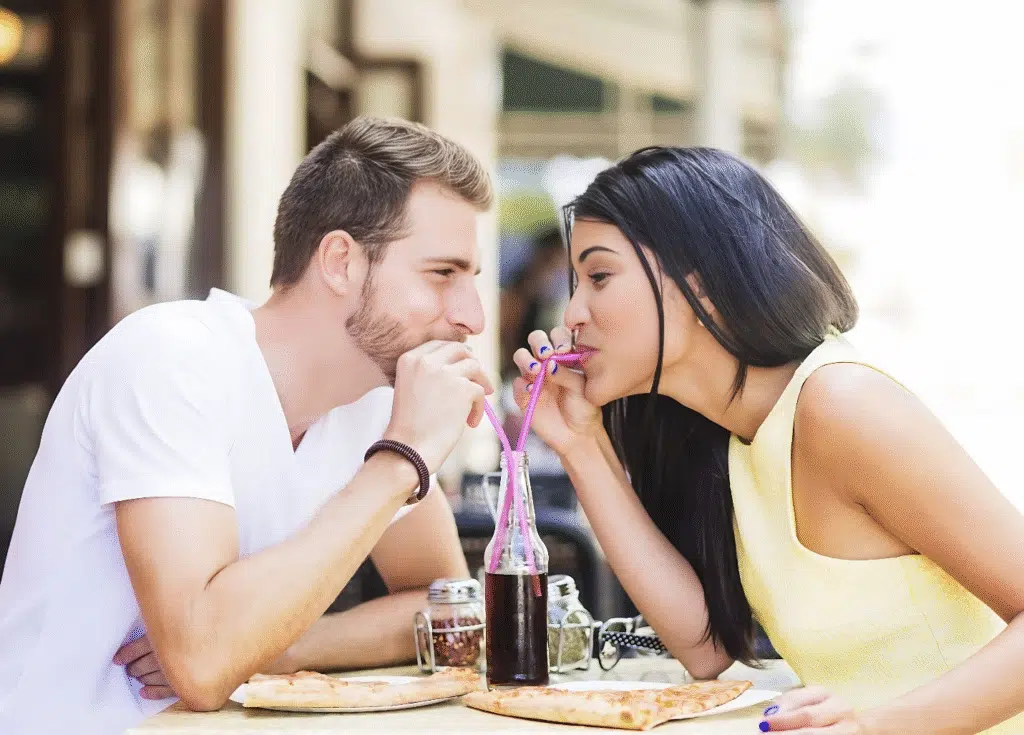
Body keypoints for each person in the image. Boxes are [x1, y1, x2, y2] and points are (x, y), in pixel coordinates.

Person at [0, 116, 494, 735]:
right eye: (442, 274)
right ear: (340, 261)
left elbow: (451, 614)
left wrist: (287, 645)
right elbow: (204, 665)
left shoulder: (375, 404)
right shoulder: (172, 357)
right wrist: (400, 461)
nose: (472, 317)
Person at [512, 146, 1024, 733]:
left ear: (700, 281)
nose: (572, 310)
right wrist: (580, 446)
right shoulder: (729, 433)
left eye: (599, 276)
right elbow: (704, 649)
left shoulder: (842, 406)